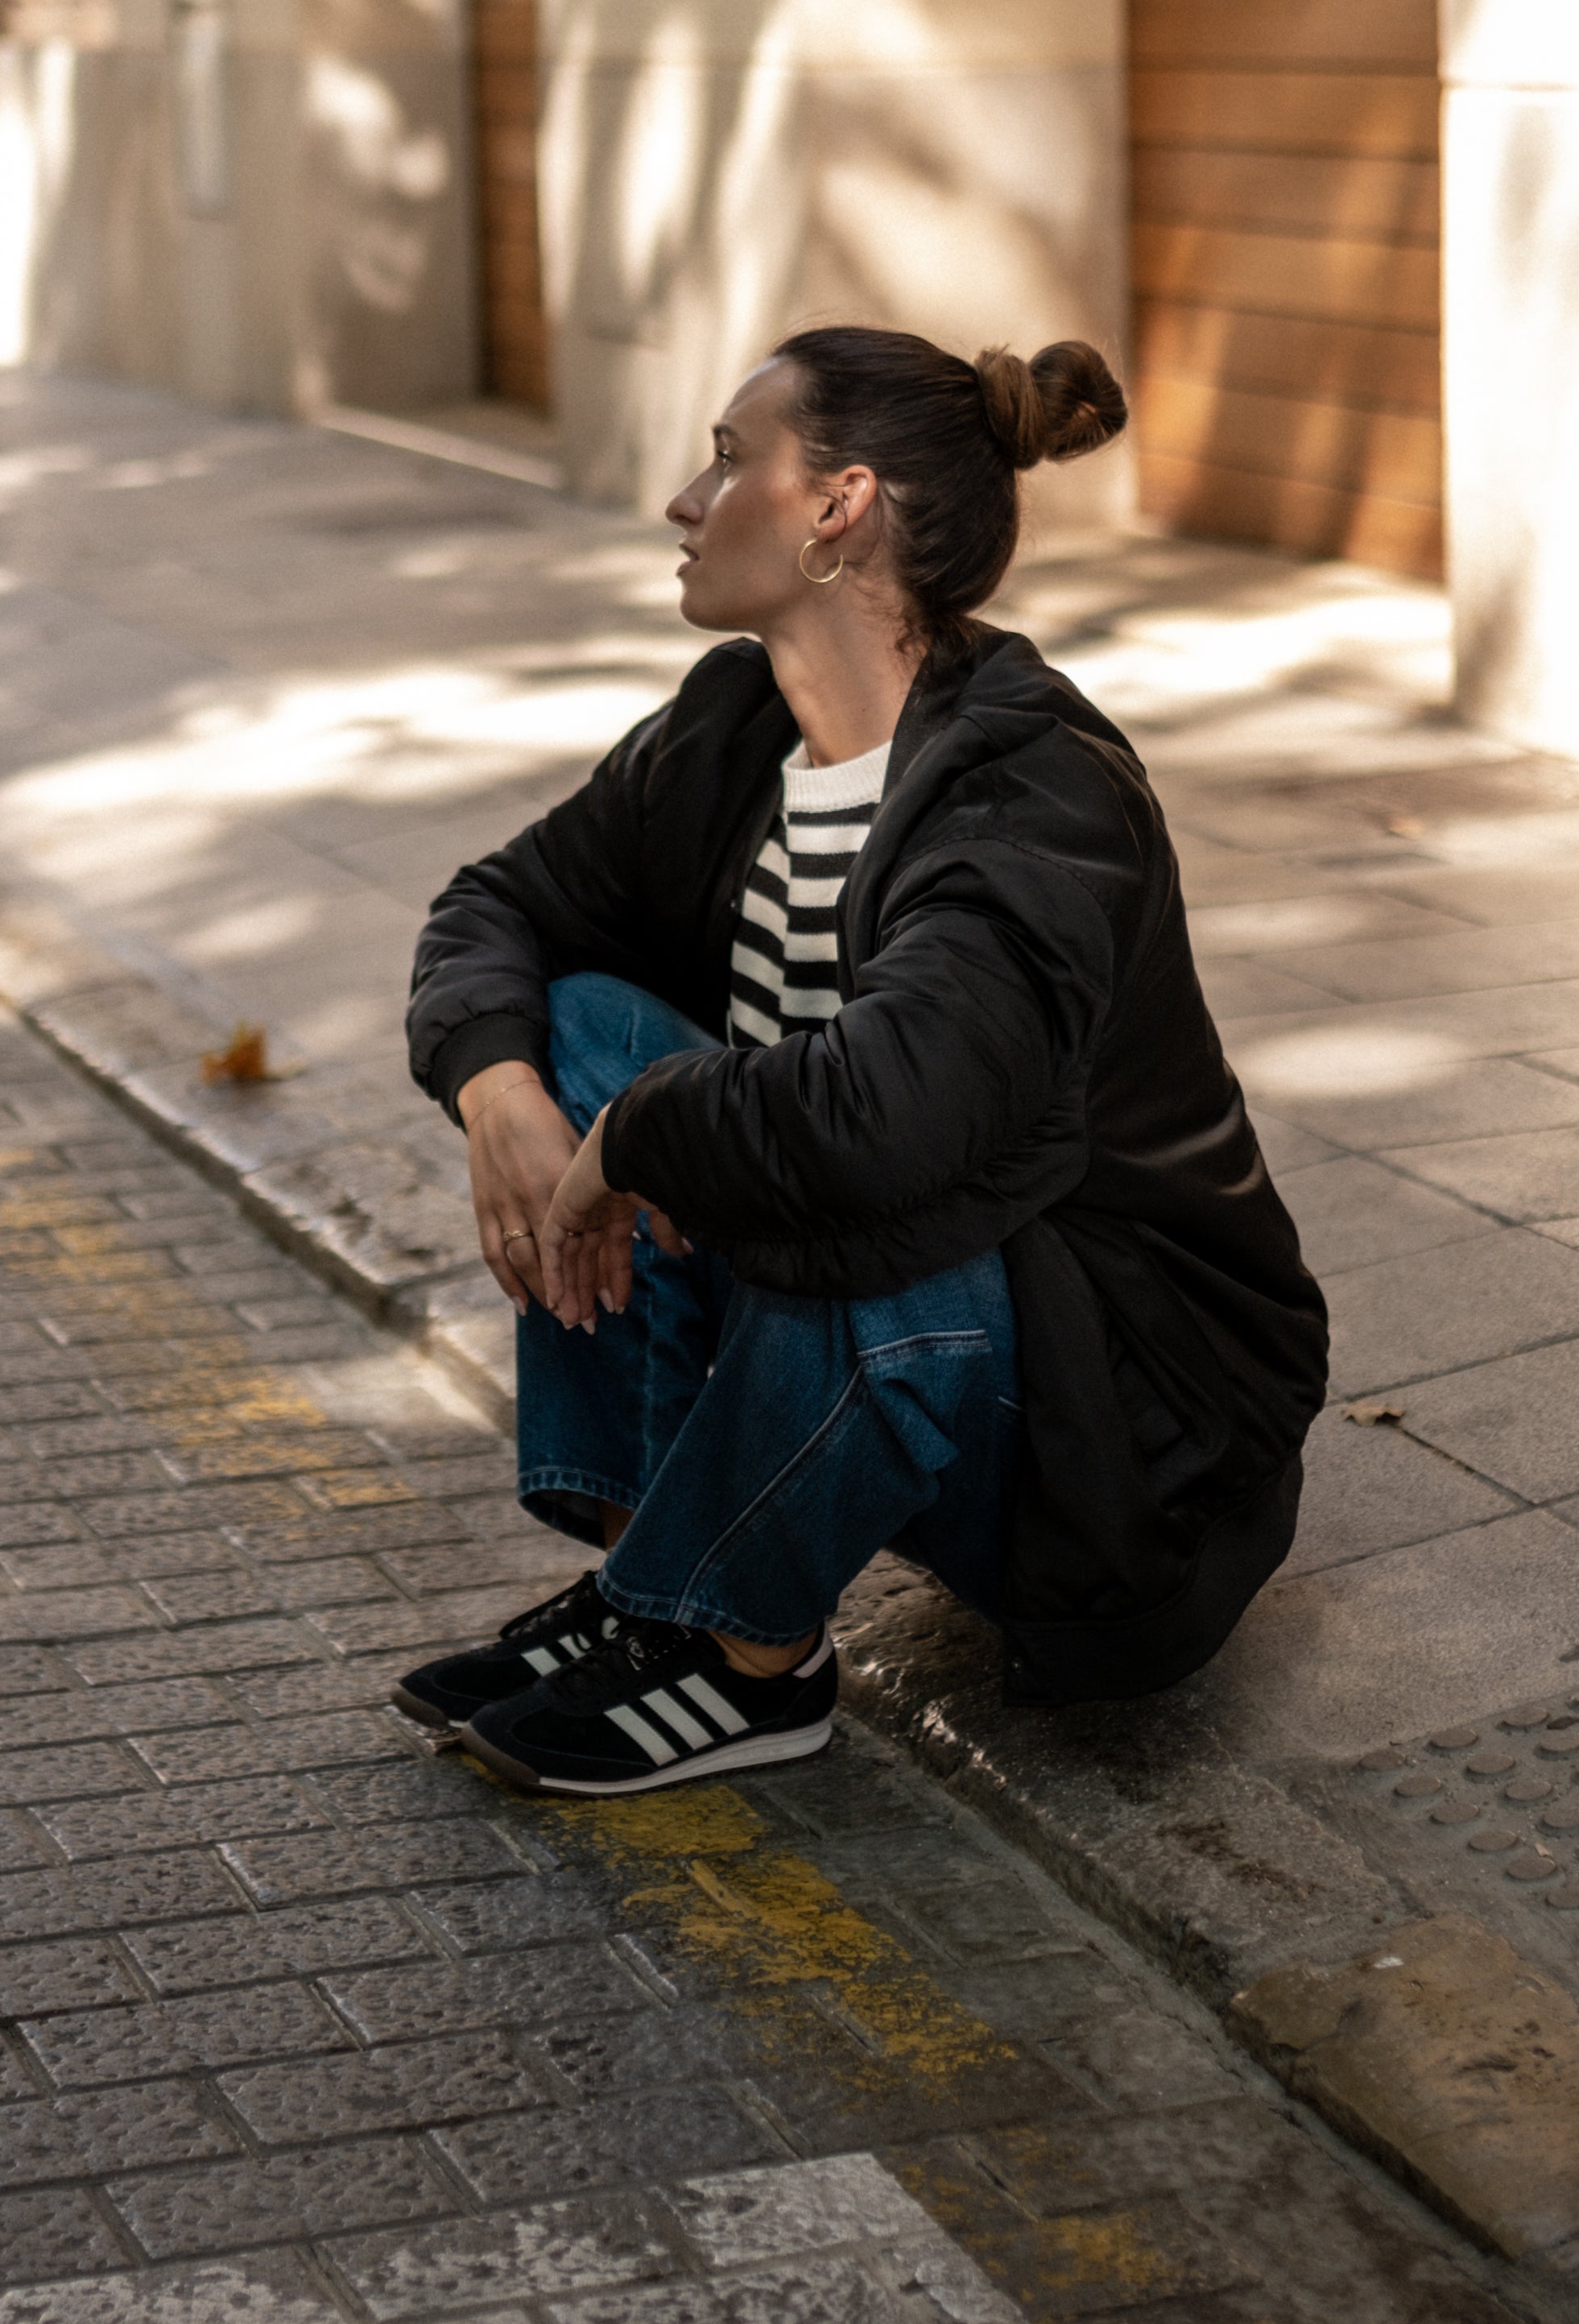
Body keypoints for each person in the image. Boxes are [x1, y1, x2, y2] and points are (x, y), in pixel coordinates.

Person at [395, 325, 1327, 1797]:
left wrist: (632, 1137)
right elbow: (497, 904)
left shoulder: (1033, 795)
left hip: (1115, 1432)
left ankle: (746, 1652)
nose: (683, 503)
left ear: (840, 508)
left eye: (725, 459)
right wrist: (502, 1091)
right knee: (569, 1019)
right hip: (899, 1300)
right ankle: (666, 1583)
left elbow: (888, 1123)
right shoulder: (734, 727)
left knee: (855, 1166)